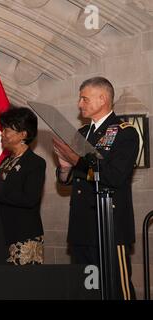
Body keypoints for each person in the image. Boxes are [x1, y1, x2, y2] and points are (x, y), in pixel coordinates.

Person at [53, 76, 139, 300]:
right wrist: (64, 168)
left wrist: (76, 161)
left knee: (117, 290)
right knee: (87, 291)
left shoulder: (125, 132)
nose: (80, 104)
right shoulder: (82, 133)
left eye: (84, 98)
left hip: (108, 225)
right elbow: (68, 180)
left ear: (102, 99)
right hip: (82, 227)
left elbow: (115, 176)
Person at [0, 107, 46, 265]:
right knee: (3, 284)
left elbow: (29, 199)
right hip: (1, 232)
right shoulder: (5, 162)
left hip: (22, 235)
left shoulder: (35, 163)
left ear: (23, 134)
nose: (2, 133)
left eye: (6, 130)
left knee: (22, 286)